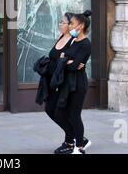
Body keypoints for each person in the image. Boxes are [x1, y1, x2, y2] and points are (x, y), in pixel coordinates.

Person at [43, 12, 85, 154]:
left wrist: (74, 62)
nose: (60, 24)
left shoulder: (73, 40)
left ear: (70, 25)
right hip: (55, 81)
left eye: (63, 22)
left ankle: (72, 141)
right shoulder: (61, 37)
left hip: (67, 82)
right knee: (50, 109)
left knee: (64, 112)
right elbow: (57, 57)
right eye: (60, 22)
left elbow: (75, 60)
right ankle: (77, 137)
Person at [53, 10, 93, 154]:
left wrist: (68, 62)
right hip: (68, 83)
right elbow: (64, 58)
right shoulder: (72, 41)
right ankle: (74, 141)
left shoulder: (85, 44)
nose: (69, 26)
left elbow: (73, 65)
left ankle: (79, 147)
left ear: (80, 26)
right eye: (69, 23)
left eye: (72, 24)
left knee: (74, 115)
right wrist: (67, 61)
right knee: (61, 112)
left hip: (78, 84)